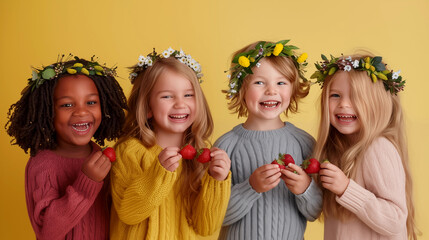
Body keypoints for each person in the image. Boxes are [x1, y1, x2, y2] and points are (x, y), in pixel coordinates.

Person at [110, 48, 231, 239]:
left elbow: (206, 227)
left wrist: (217, 180)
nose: (180, 104)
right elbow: (129, 214)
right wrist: (160, 172)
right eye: (167, 96)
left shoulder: (200, 157)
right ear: (148, 107)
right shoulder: (130, 151)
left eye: (188, 95)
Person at [5, 55, 128, 239]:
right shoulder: (43, 164)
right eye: (67, 104)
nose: (81, 111)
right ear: (46, 112)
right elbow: (48, 231)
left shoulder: (99, 155)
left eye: (91, 102)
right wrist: (87, 182)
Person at [215, 40, 323, 240]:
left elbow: (315, 212)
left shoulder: (304, 143)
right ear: (241, 89)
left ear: (293, 88)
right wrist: (251, 187)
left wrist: (305, 189)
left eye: (281, 83)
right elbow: (216, 215)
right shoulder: (226, 146)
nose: (271, 91)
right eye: (259, 82)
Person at [311, 54, 419, 239]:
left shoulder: (378, 148)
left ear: (378, 103)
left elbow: (395, 220)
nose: (344, 104)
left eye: (357, 97)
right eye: (335, 95)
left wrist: (346, 189)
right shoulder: (338, 148)